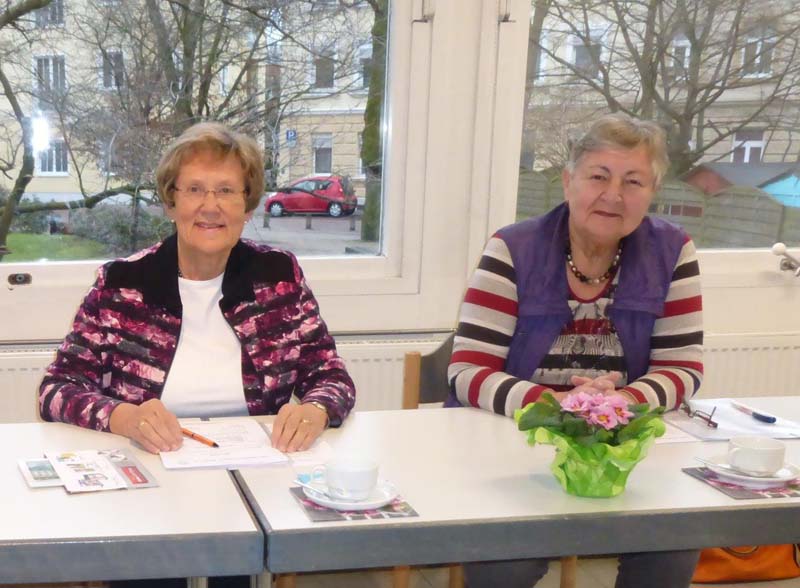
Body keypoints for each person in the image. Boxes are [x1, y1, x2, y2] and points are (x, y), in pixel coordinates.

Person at [448, 113, 703, 588]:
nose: (614, 195)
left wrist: (619, 404)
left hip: (621, 451)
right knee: (505, 562)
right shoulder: (511, 248)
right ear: (568, 182)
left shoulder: (674, 251)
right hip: (516, 446)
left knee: (672, 546)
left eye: (633, 181)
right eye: (598, 176)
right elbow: (466, 372)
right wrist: (559, 407)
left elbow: (683, 367)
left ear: (651, 193)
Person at [39, 122, 355, 452]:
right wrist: (125, 418)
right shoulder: (122, 284)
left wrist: (315, 411)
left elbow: (330, 375)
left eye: (226, 190)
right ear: (170, 203)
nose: (210, 206)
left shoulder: (278, 277)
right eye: (194, 189)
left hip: (260, 463)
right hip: (152, 462)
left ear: (247, 207)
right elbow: (56, 389)